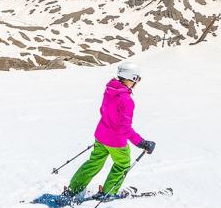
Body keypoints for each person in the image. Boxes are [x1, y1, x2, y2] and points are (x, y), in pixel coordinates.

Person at [64, 61, 156, 200]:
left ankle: (73, 190)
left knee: (94, 163)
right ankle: (108, 192)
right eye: (136, 79)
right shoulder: (126, 100)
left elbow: (103, 110)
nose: (137, 83)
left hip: (101, 135)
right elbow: (126, 128)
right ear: (131, 78)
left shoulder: (110, 90)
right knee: (122, 164)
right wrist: (142, 143)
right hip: (116, 141)